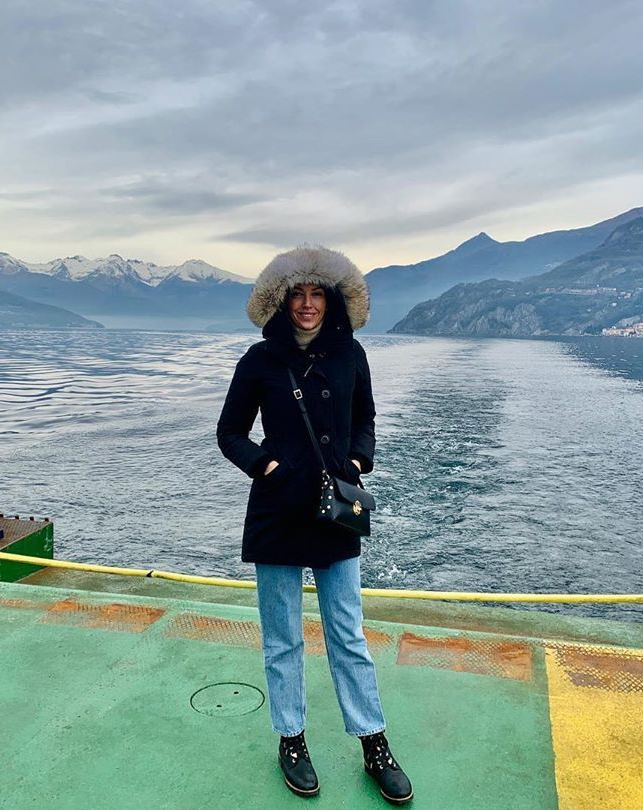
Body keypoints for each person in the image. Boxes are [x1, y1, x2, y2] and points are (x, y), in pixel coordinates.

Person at [216, 245, 413, 805]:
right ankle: (291, 739)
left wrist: (357, 460)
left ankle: (373, 743)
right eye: (297, 295)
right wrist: (266, 466)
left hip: (336, 510)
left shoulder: (352, 355)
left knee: (347, 633)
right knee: (282, 638)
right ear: (281, 302)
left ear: (333, 300)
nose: (307, 305)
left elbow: (365, 419)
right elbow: (230, 432)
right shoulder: (259, 360)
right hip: (278, 509)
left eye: (316, 294)